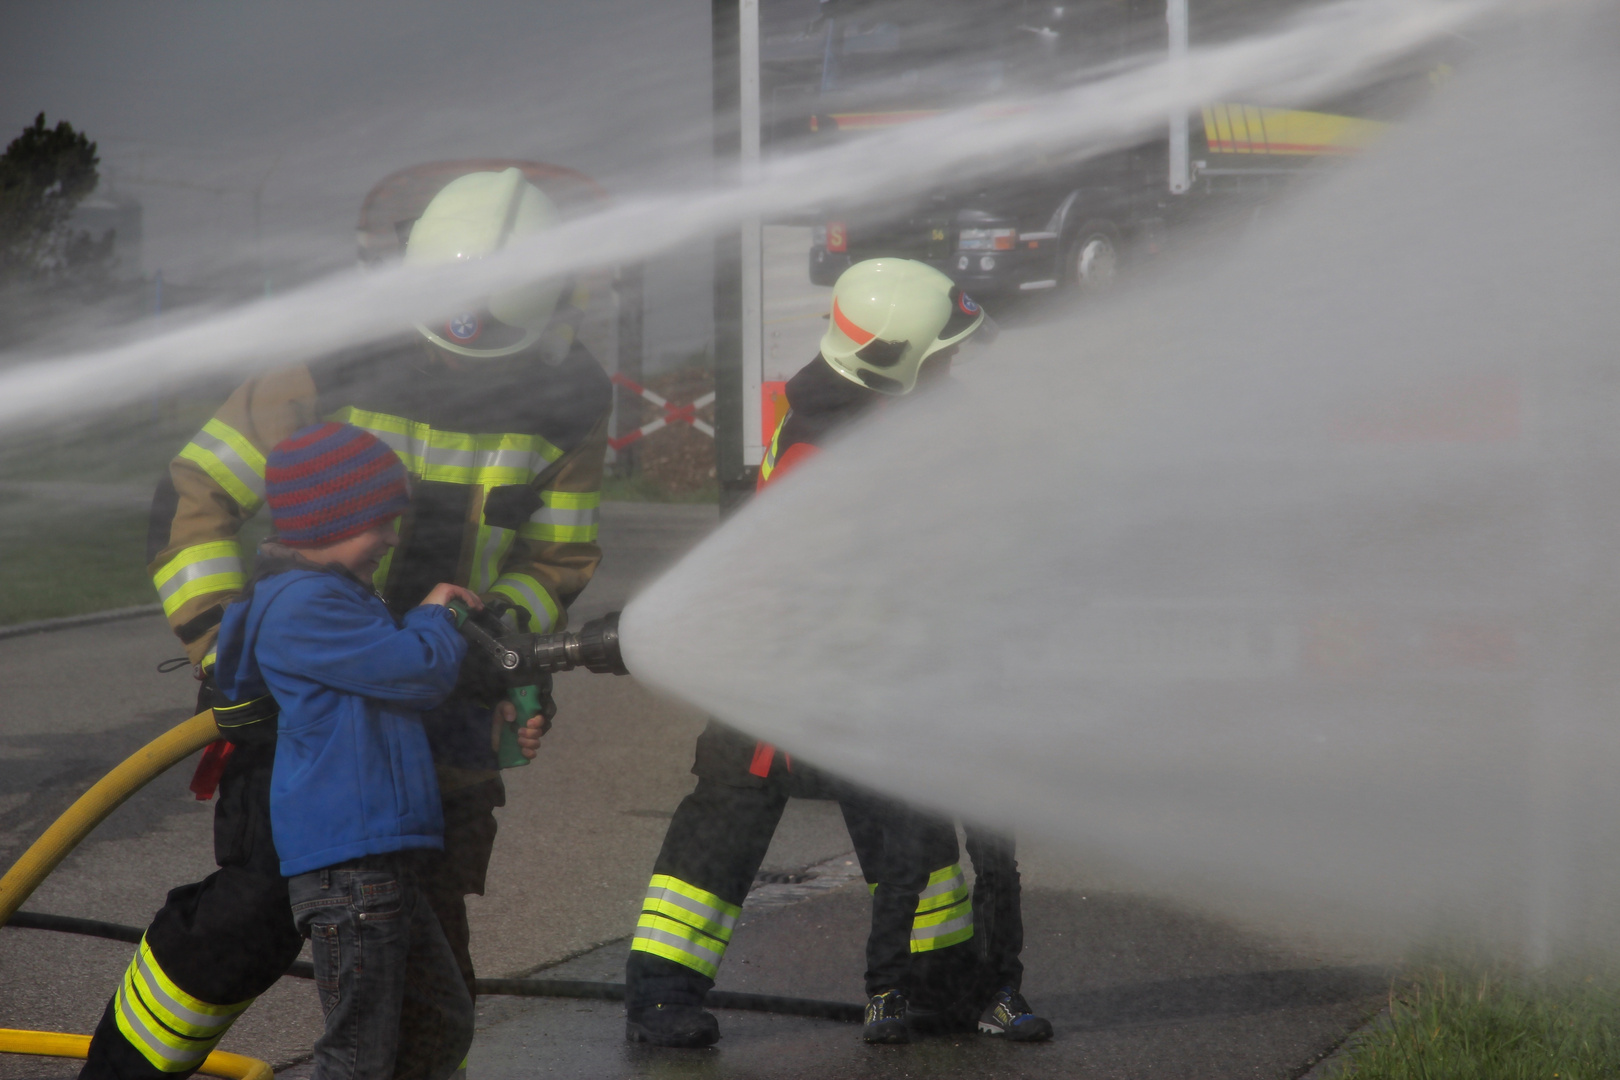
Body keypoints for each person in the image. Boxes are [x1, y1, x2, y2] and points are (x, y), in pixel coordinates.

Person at [81, 166, 611, 1080]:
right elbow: (196, 498)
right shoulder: (324, 360)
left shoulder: (568, 395)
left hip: (438, 720)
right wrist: (226, 656)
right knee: (247, 921)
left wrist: (501, 652)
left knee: (425, 963)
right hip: (309, 716)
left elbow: (553, 559)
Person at [623, 258, 1049, 1046]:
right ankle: (660, 996)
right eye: (941, 352)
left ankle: (942, 990)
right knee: (722, 833)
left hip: (877, 674)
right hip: (782, 679)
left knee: (913, 841)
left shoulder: (911, 411)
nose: (955, 363)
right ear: (895, 363)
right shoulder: (825, 443)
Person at [214, 422, 476, 1080]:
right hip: (351, 870)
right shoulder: (306, 605)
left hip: (378, 860)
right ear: (329, 520)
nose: (391, 538)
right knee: (360, 1050)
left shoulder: (330, 597)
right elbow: (417, 670)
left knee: (442, 1021)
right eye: (381, 522)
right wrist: (436, 612)